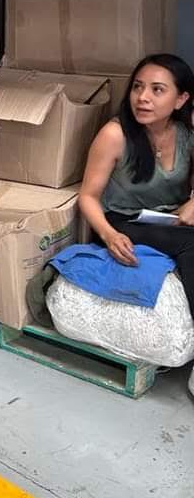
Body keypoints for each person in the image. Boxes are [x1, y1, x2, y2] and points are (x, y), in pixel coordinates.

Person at [79, 53, 194, 401]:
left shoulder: (185, 134)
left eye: (157, 90)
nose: (143, 97)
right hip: (124, 222)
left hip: (169, 220)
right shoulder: (115, 134)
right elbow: (88, 197)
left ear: (181, 99)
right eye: (138, 87)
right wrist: (109, 234)